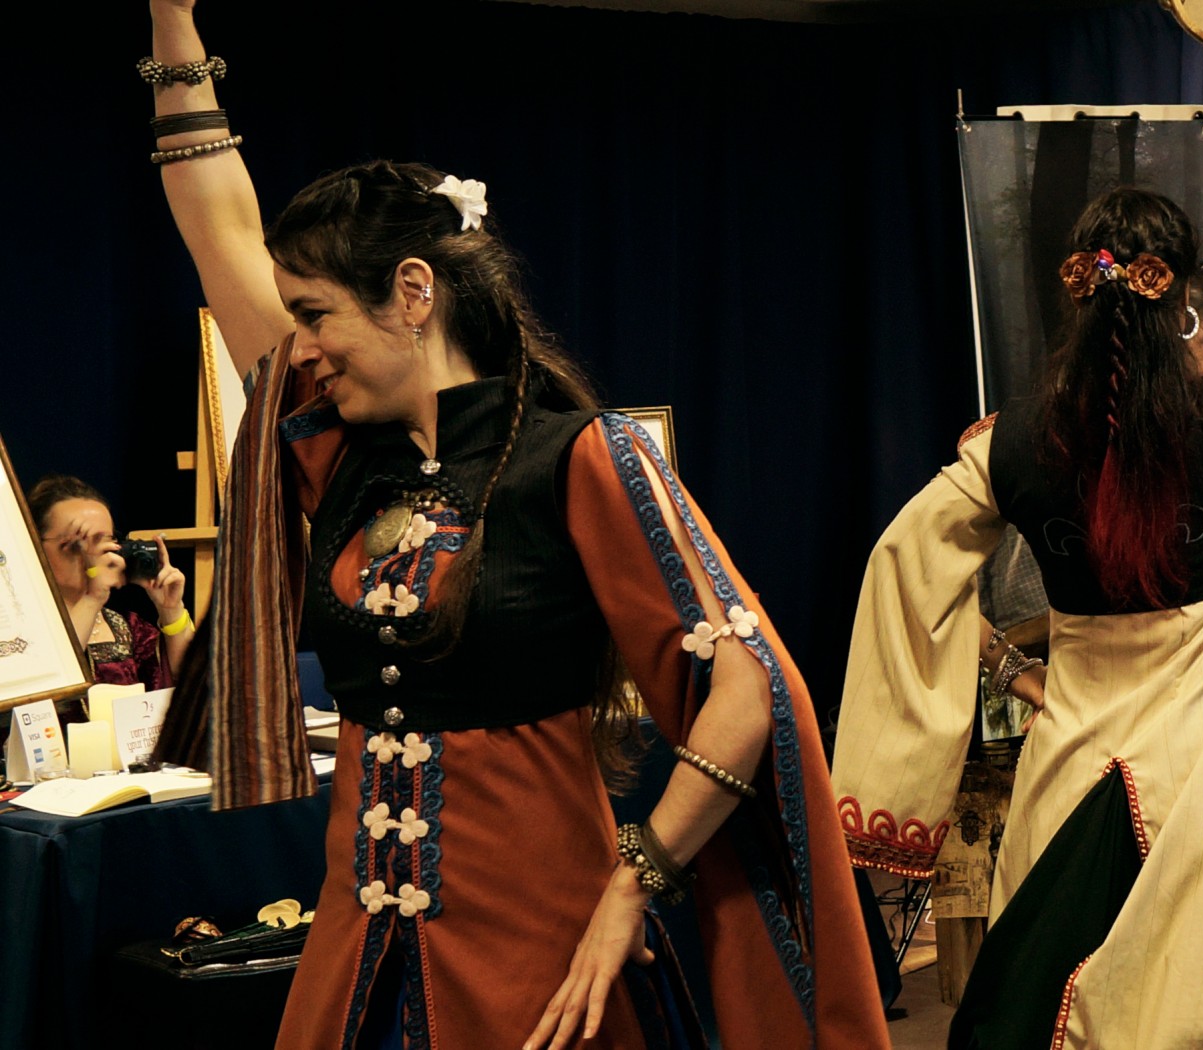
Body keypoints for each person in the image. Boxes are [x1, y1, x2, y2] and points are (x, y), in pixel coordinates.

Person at [142, 2, 886, 1047]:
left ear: (413, 293)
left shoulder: (578, 460)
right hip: (361, 960)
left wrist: (634, 883)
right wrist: (172, 19)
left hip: (543, 964)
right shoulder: (343, 457)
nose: (296, 346)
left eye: (314, 315)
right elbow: (216, 228)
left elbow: (748, 689)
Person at [833, 25, 1203, 1048]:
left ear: (1075, 286)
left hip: (1072, 767)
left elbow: (902, 569)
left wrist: (973, 705)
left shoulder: (1009, 445)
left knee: (1051, 1003)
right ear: (1185, 291)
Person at [28, 476, 192, 688]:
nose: (93, 555)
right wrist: (92, 598)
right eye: (75, 544)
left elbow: (193, 686)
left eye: (105, 542)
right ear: (33, 545)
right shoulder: (20, 629)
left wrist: (171, 610)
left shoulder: (127, 628)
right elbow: (46, 681)